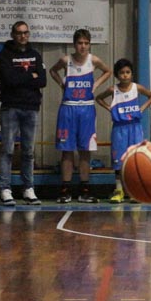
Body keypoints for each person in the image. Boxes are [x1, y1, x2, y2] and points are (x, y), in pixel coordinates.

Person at [49, 28, 111, 203]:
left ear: (89, 44)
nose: (83, 46)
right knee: (67, 150)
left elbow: (108, 71)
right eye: (80, 43)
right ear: (74, 44)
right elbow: (52, 71)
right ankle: (65, 190)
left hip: (86, 109)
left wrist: (95, 85)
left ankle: (85, 190)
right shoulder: (66, 60)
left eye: (86, 43)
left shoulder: (93, 60)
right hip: (68, 108)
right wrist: (62, 84)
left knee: (85, 150)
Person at [0, 21, 47, 206]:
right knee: (7, 150)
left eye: (25, 33)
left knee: (28, 151)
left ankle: (28, 188)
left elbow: (42, 80)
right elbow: (9, 80)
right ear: (13, 34)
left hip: (31, 107)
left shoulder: (35, 55)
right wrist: (30, 76)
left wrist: (24, 78)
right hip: (10, 107)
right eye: (19, 33)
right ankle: (5, 189)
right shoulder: (5, 55)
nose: (23, 36)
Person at [95, 58, 151, 203]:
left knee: (135, 160)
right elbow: (98, 98)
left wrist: (142, 109)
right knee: (118, 161)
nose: (125, 75)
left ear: (131, 74)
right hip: (119, 128)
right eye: (122, 72)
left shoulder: (137, 88)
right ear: (117, 75)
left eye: (128, 72)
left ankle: (134, 191)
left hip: (135, 127)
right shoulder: (113, 90)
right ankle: (119, 190)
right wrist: (110, 108)